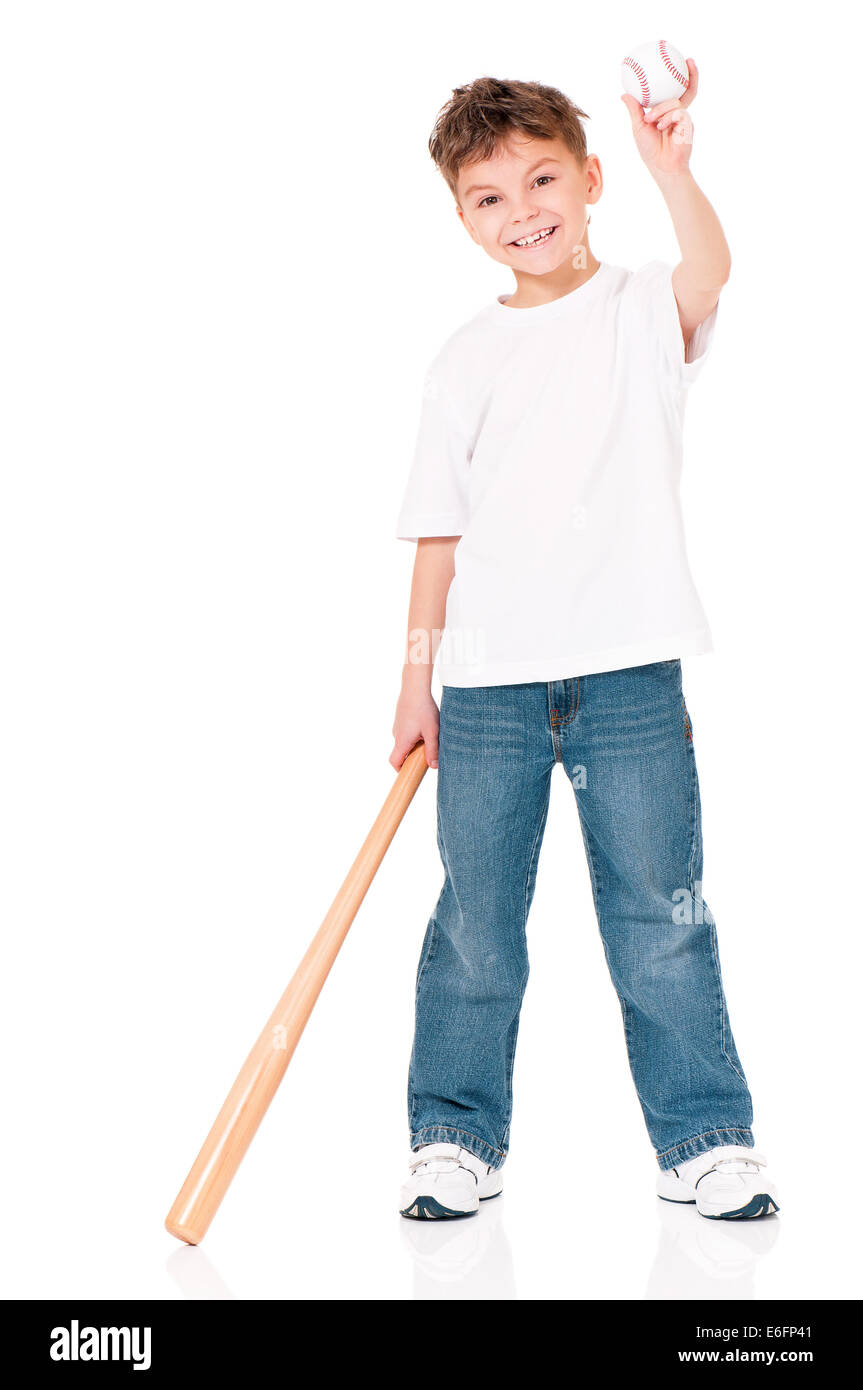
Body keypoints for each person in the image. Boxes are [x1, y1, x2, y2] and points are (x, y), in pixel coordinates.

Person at [390, 72, 778, 1222]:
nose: (523, 209)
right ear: (462, 220)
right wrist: (414, 679)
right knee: (473, 924)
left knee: (660, 912)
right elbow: (435, 537)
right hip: (491, 690)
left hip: (628, 677)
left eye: (544, 176)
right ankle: (452, 1137)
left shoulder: (641, 309)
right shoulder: (460, 360)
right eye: (488, 196)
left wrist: (675, 168)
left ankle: (703, 1137)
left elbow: (711, 270)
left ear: (590, 178)